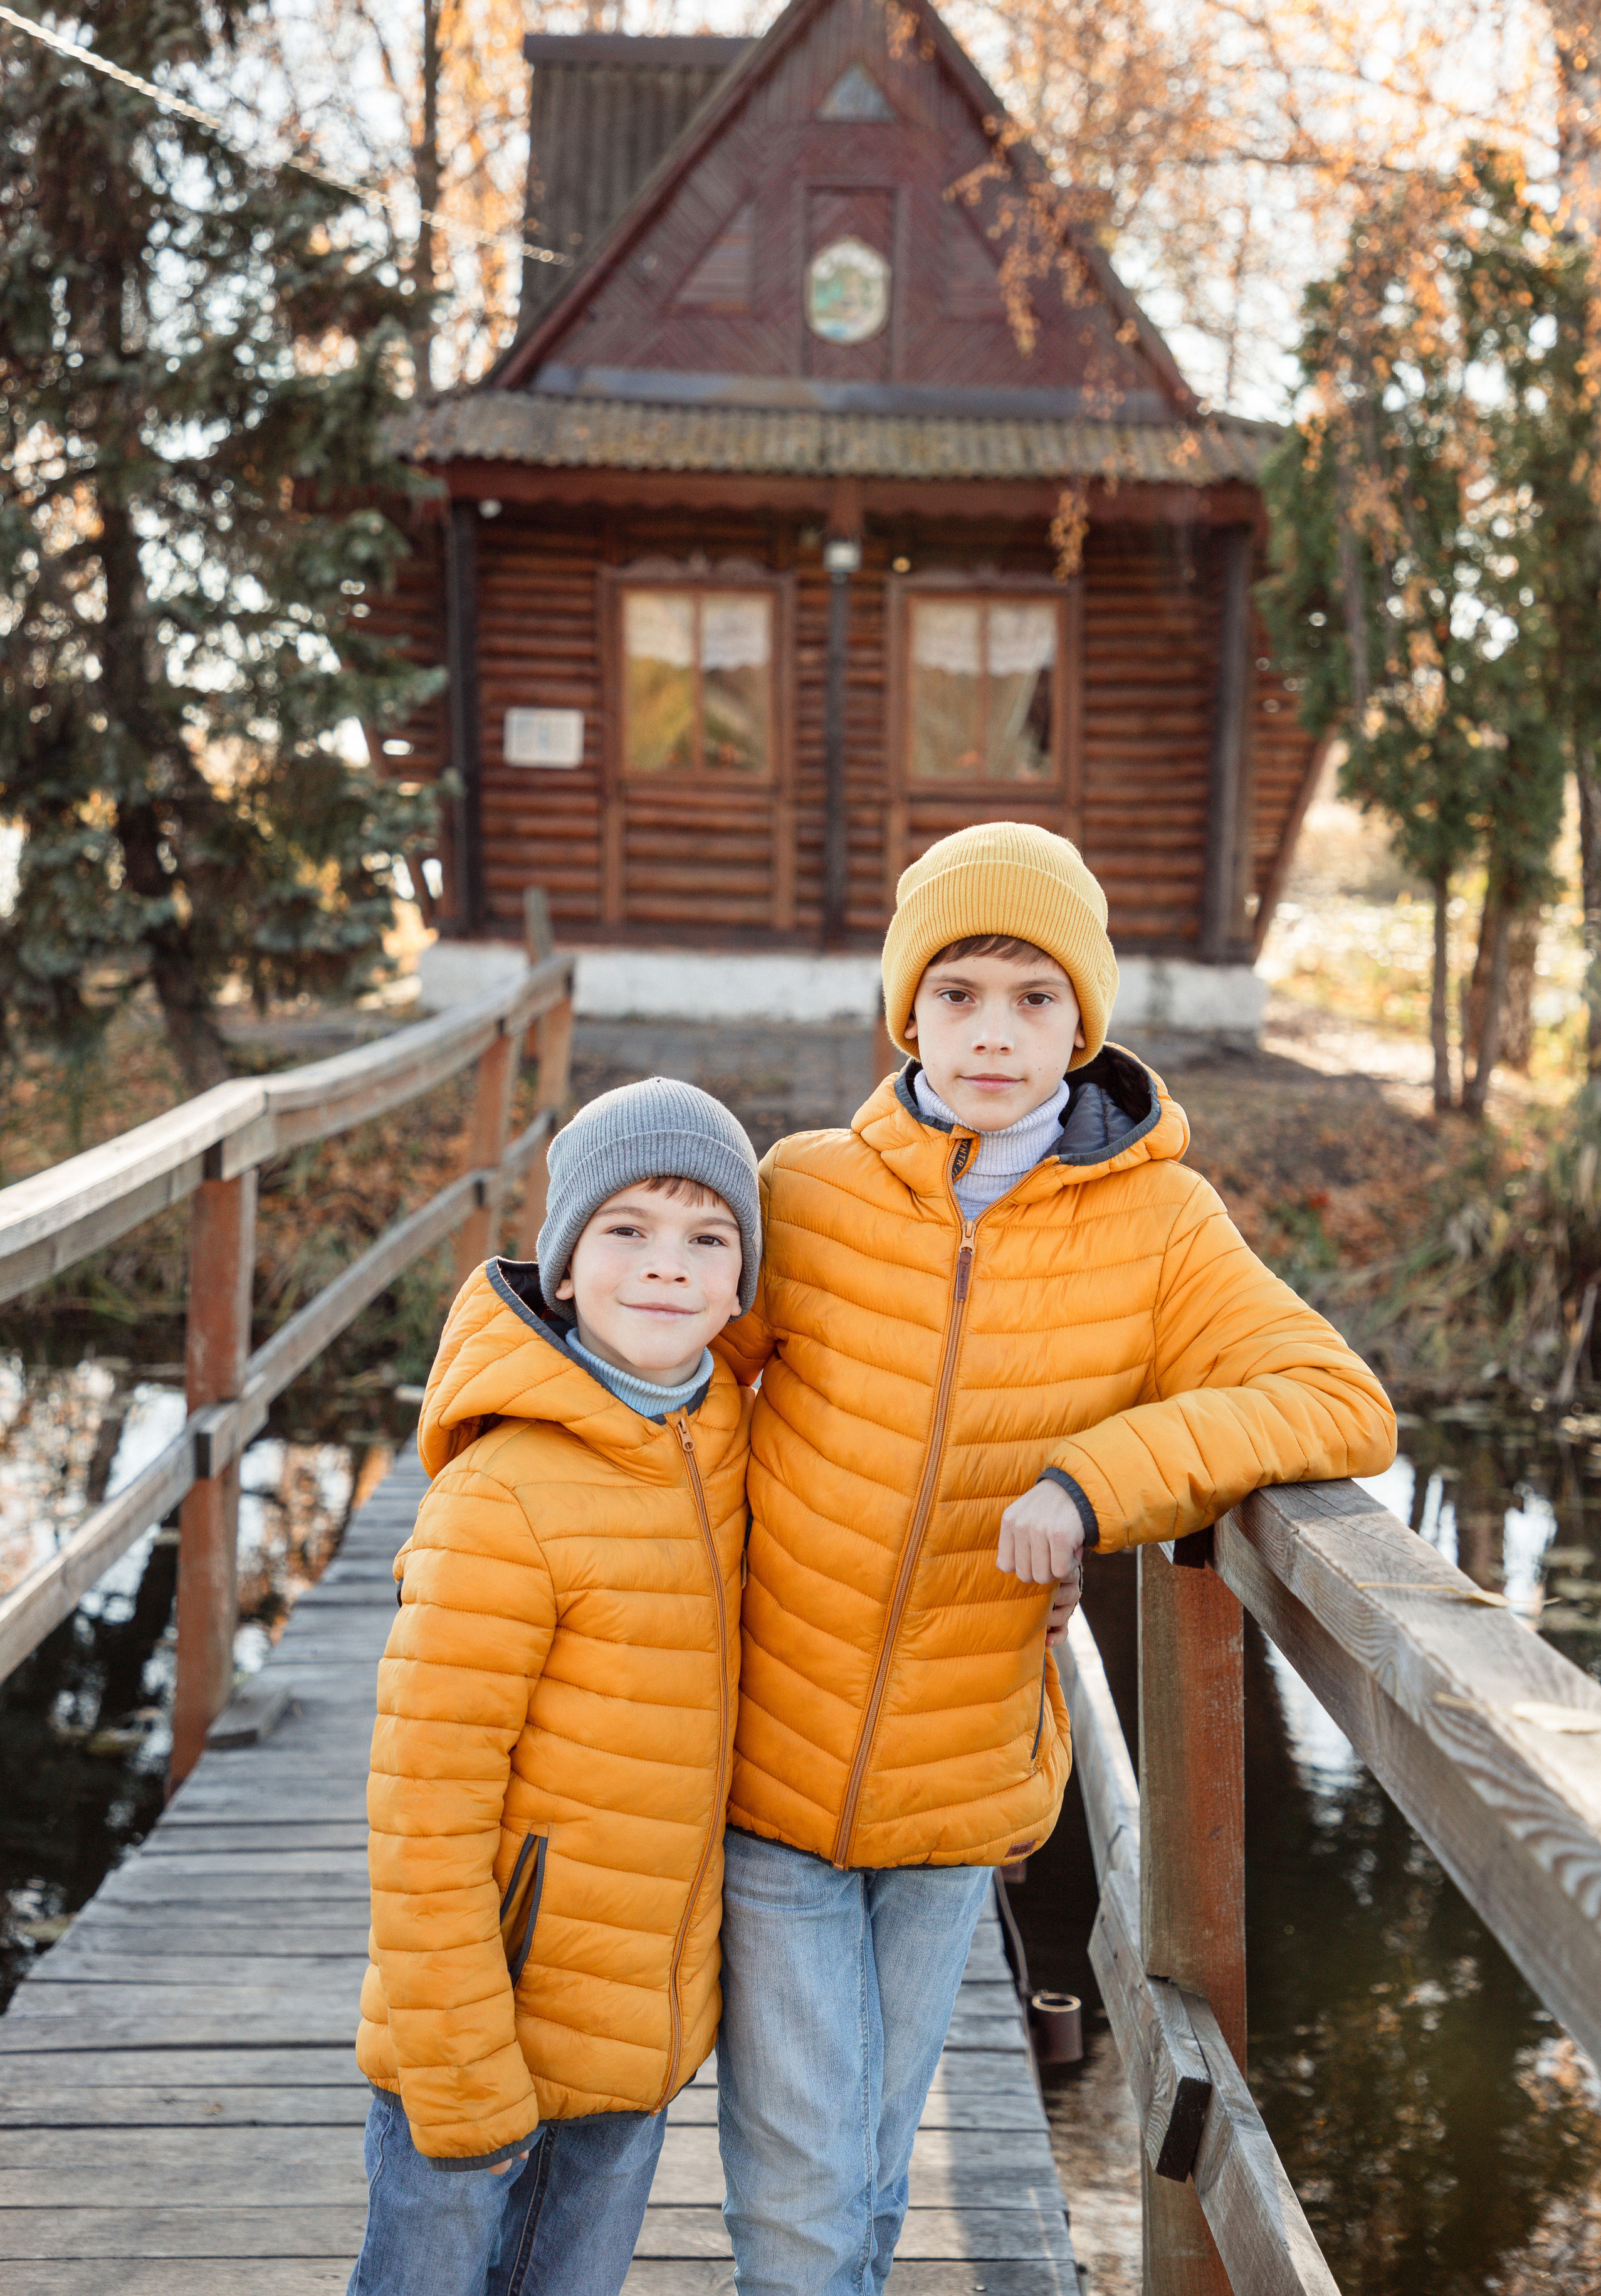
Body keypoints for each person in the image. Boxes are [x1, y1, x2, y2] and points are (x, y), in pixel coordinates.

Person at [713, 819, 1397, 2296]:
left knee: (868, 2176)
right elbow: (669, 1379)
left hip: (963, 1787)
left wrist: (1096, 1480)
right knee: (797, 2197)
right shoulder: (806, 1193)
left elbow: (1335, 1399)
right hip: (765, 1762)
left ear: (1082, 1020)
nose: (993, 1035)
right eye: (956, 994)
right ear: (907, 1011)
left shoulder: (1157, 1226)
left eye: (1034, 999)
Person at [347, 1078, 762, 2296]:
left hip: (633, 2040)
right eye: (624, 1230)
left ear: (740, 1285)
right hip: (481, 2039)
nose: (666, 1268)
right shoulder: (503, 1495)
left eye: (706, 1238)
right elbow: (421, 1814)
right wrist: (464, 2071)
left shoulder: (731, 1437)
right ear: (563, 1266)